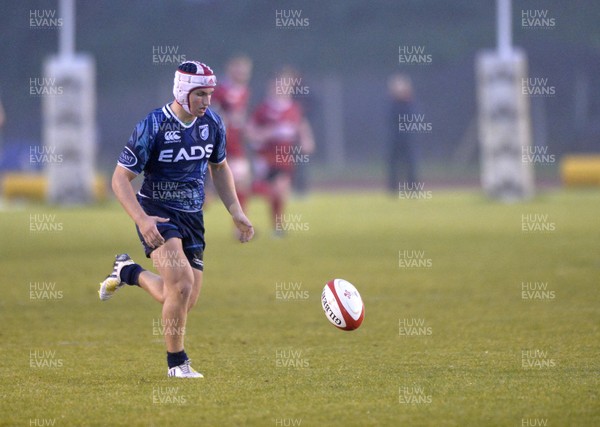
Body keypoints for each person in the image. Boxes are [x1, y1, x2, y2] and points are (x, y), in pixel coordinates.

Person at [98, 61, 254, 378]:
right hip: (157, 214)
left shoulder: (212, 124)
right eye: (200, 94)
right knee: (180, 285)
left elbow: (220, 168)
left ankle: (127, 271)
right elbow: (118, 179)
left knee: (184, 297)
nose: (207, 101)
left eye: (210, 94)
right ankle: (177, 364)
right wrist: (142, 221)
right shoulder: (153, 126)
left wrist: (236, 211)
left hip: (192, 217)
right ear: (182, 91)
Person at [246, 67, 315, 235]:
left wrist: (307, 140)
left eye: (288, 84)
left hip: (284, 156)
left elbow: (301, 125)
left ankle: (277, 227)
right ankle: (244, 194)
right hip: (265, 156)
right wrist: (268, 133)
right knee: (276, 189)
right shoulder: (264, 108)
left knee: (281, 190)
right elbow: (250, 132)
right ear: (273, 86)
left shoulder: (293, 108)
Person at [210, 55, 253, 212]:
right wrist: (226, 119)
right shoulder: (219, 90)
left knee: (242, 181)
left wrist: (246, 128)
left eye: (246, 71)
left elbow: (240, 116)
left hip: (235, 143)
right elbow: (210, 112)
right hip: (219, 141)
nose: (243, 74)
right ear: (230, 69)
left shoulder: (244, 91)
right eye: (239, 70)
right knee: (220, 183)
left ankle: (241, 224)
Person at [387, 73, 418, 193]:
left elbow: (411, 118)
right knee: (393, 164)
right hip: (395, 138)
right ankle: (393, 188)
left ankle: (412, 187)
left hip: (407, 138)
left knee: (410, 164)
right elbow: (391, 118)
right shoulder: (392, 104)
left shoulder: (409, 104)